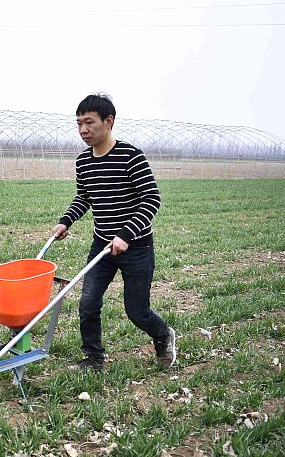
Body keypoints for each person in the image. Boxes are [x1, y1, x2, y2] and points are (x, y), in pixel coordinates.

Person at [51, 93, 176, 371]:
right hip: (102, 247)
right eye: (79, 123)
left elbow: (151, 198)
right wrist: (65, 221)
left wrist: (126, 235)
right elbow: (84, 197)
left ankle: (163, 334)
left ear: (109, 121)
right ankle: (94, 359)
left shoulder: (131, 155)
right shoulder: (83, 161)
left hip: (136, 247)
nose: (83, 130)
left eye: (89, 122)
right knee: (88, 303)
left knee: (137, 311)